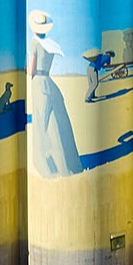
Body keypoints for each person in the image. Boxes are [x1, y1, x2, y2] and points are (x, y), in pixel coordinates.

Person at [27, 10, 81, 177]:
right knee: (55, 124)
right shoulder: (50, 45)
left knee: (41, 124)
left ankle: (46, 164)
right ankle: (65, 163)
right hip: (49, 81)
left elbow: (31, 70)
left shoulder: (35, 43)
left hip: (38, 83)